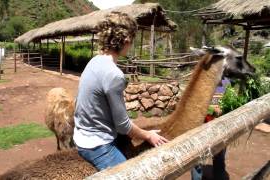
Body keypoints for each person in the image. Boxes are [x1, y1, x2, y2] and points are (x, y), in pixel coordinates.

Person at [73, 12, 169, 171]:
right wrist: (148, 135)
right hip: (97, 144)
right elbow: (123, 125)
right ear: (126, 41)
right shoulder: (114, 74)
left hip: (81, 134)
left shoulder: (94, 61)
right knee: (132, 174)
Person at [191, 78, 231, 180]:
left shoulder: (225, 82)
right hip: (201, 126)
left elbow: (223, 103)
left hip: (219, 127)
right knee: (197, 159)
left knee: (219, 158)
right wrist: (212, 108)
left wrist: (217, 109)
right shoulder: (202, 81)